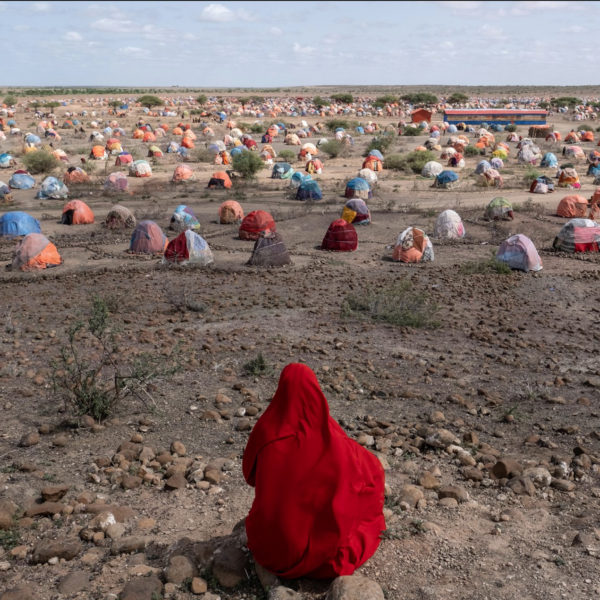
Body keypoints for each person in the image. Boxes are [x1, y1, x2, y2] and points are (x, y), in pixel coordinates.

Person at [242, 363, 385, 579]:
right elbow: (373, 471)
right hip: (318, 556)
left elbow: (250, 476)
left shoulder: (266, 431)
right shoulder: (334, 440)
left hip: (269, 551)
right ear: (315, 392)